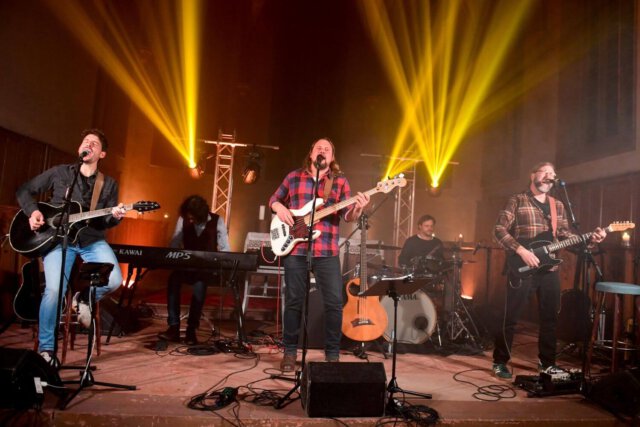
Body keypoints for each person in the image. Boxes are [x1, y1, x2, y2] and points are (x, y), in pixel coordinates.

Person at [16, 129, 126, 365]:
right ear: (80, 148)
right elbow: (24, 190)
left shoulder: (108, 184)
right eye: (86, 141)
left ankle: (84, 298)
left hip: (91, 239)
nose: (89, 144)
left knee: (115, 279)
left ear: (102, 154)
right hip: (56, 239)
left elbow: (104, 221)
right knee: (53, 290)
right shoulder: (61, 173)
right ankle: (47, 351)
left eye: (94, 143)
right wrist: (33, 212)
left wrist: (115, 216)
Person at [491, 161, 606, 379]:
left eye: (552, 173)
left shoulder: (557, 205)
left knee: (550, 318)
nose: (549, 176)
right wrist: (521, 250)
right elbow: (498, 229)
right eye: (544, 171)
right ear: (532, 175)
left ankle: (547, 364)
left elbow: (565, 236)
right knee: (511, 317)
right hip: (522, 266)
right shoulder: (517, 200)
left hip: (549, 269)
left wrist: (590, 239)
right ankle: (500, 362)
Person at [270, 137, 370, 371]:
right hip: (296, 249)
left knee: (334, 303)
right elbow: (274, 199)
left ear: (332, 157)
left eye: (327, 149)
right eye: (319, 148)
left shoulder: (340, 181)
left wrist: (358, 207)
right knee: (294, 301)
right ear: (311, 153)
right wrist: (280, 207)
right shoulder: (294, 177)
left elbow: (348, 216)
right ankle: (290, 353)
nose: (322, 150)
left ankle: (332, 355)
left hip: (327, 250)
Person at [158, 195, 230, 345]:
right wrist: (171, 256)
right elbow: (175, 243)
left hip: (206, 270)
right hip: (186, 267)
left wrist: (220, 263)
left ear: (201, 214)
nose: (189, 220)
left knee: (200, 284)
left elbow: (225, 249)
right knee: (173, 280)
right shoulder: (183, 219)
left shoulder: (217, 221)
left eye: (192, 218)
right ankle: (173, 327)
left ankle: (191, 329)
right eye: (188, 217)